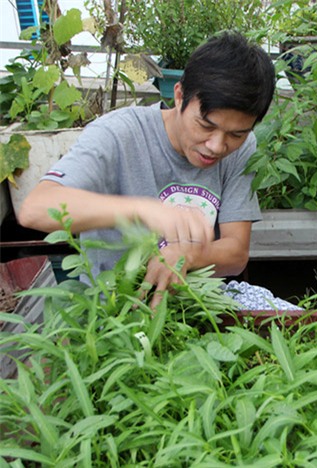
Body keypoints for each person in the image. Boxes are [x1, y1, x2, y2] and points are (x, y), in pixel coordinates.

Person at [18, 31, 276, 308]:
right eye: (206, 125)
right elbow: (35, 209)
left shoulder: (243, 148)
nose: (216, 146)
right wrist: (139, 210)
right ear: (180, 96)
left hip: (196, 311)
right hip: (114, 315)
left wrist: (187, 255)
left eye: (235, 134)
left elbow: (236, 252)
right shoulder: (119, 133)